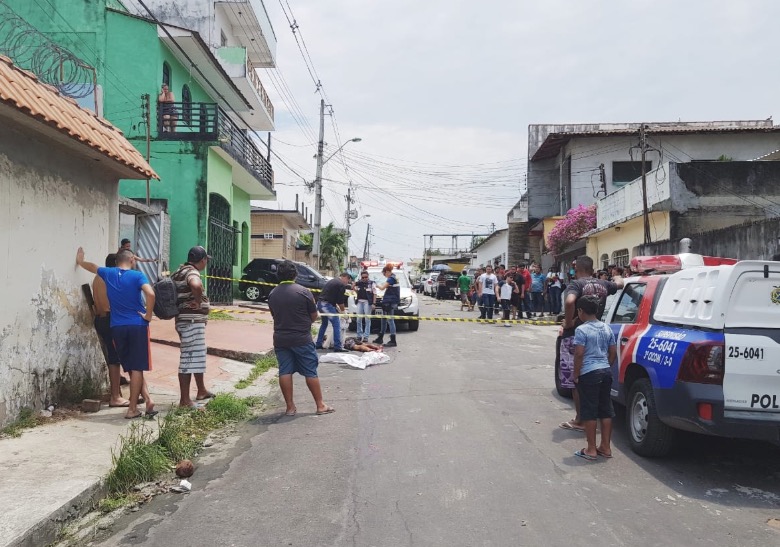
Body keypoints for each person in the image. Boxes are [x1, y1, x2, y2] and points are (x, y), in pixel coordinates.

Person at [76, 247, 156, 419]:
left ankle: (141, 400)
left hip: (115, 325)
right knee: (136, 367)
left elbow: (92, 267)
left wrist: (81, 261)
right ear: (132, 260)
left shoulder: (106, 275)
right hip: (135, 324)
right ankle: (133, 406)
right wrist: (148, 316)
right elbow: (151, 294)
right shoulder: (136, 276)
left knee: (123, 363)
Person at [559, 255, 622, 432]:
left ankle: (580, 420)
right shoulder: (604, 285)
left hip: (577, 335)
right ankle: (594, 422)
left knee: (577, 380)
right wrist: (616, 276)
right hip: (598, 332)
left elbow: (570, 301)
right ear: (592, 269)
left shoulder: (576, 284)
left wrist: (569, 321)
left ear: (577, 269)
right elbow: (620, 283)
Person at [267, 260, 334, 416]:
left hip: (280, 338)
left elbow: (273, 315)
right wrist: (303, 325)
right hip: (301, 338)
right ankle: (320, 405)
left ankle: (290, 408)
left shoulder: (272, 294)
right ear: (295, 274)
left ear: (278, 275)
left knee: (284, 371)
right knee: (310, 371)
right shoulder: (304, 292)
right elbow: (314, 315)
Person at [572, 295, 617, 461]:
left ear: (581, 311)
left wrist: (576, 374)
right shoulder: (606, 328)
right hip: (605, 371)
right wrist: (606, 365)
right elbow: (613, 352)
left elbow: (579, 353)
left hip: (589, 373)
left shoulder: (582, 329)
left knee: (589, 411)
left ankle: (591, 448)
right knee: (606, 410)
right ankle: (605, 447)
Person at [172, 246, 214, 408]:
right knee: (188, 359)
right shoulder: (192, 273)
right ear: (202, 260)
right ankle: (184, 400)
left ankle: (201, 390)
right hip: (191, 322)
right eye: (206, 260)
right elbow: (195, 285)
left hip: (184, 320)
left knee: (197, 355)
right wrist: (198, 301)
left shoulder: (179, 271)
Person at [92, 253, 129, 407]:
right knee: (115, 360)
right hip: (110, 319)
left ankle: (120, 394)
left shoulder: (97, 278)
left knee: (114, 357)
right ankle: (115, 396)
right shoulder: (112, 278)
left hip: (101, 319)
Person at [315, 272, 351, 352]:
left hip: (320, 303)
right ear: (344, 277)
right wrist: (344, 313)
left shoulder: (333, 281)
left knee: (324, 324)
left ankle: (318, 344)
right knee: (336, 323)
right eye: (348, 280)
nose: (347, 283)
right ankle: (338, 346)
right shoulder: (340, 285)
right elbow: (340, 302)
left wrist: (336, 307)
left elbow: (332, 297)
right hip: (326, 305)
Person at [374, 264, 400, 347]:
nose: (384, 276)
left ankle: (393, 340)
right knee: (384, 319)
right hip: (388, 301)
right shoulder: (394, 277)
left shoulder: (391, 278)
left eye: (384, 274)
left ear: (387, 272)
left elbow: (382, 288)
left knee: (390, 320)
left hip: (390, 302)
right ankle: (380, 337)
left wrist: (375, 284)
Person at [354, 270, 376, 343]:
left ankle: (366, 336)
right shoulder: (359, 283)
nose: (364, 279)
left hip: (367, 302)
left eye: (366, 277)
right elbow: (356, 291)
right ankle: (359, 335)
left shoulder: (371, 283)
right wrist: (354, 287)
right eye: (363, 277)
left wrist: (374, 303)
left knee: (367, 319)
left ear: (368, 276)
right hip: (360, 301)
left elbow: (375, 293)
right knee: (358, 319)